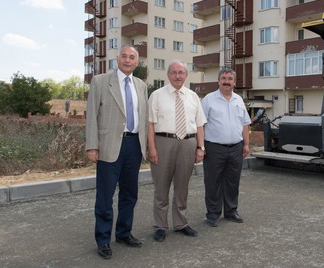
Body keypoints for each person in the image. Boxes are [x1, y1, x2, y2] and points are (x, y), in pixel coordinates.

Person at [85, 45, 148, 259]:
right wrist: (92, 145)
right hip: (109, 146)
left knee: (130, 194)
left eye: (132, 57)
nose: (128, 60)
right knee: (105, 196)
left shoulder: (141, 85)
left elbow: (144, 116)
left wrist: (146, 147)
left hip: (134, 146)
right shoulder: (101, 81)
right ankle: (103, 239)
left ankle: (123, 233)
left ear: (137, 62)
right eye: (124, 56)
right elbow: (92, 115)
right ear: (117, 58)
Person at [147, 60, 207, 242]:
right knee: (161, 187)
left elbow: (199, 125)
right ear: (168, 75)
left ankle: (181, 223)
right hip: (163, 142)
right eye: (174, 72)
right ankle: (160, 226)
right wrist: (152, 148)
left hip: (188, 143)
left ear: (186, 75)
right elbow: (150, 124)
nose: (178, 76)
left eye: (181, 72)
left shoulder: (193, 97)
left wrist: (200, 147)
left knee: (182, 187)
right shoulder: (156, 95)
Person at [201, 68, 251, 227]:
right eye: (223, 78)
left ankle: (231, 211)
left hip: (236, 148)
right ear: (218, 81)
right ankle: (213, 214)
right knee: (212, 182)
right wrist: (201, 146)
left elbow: (245, 123)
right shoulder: (209, 99)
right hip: (214, 148)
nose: (227, 81)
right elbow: (200, 124)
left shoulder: (238, 100)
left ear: (234, 82)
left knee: (232, 181)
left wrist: (246, 144)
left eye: (230, 78)